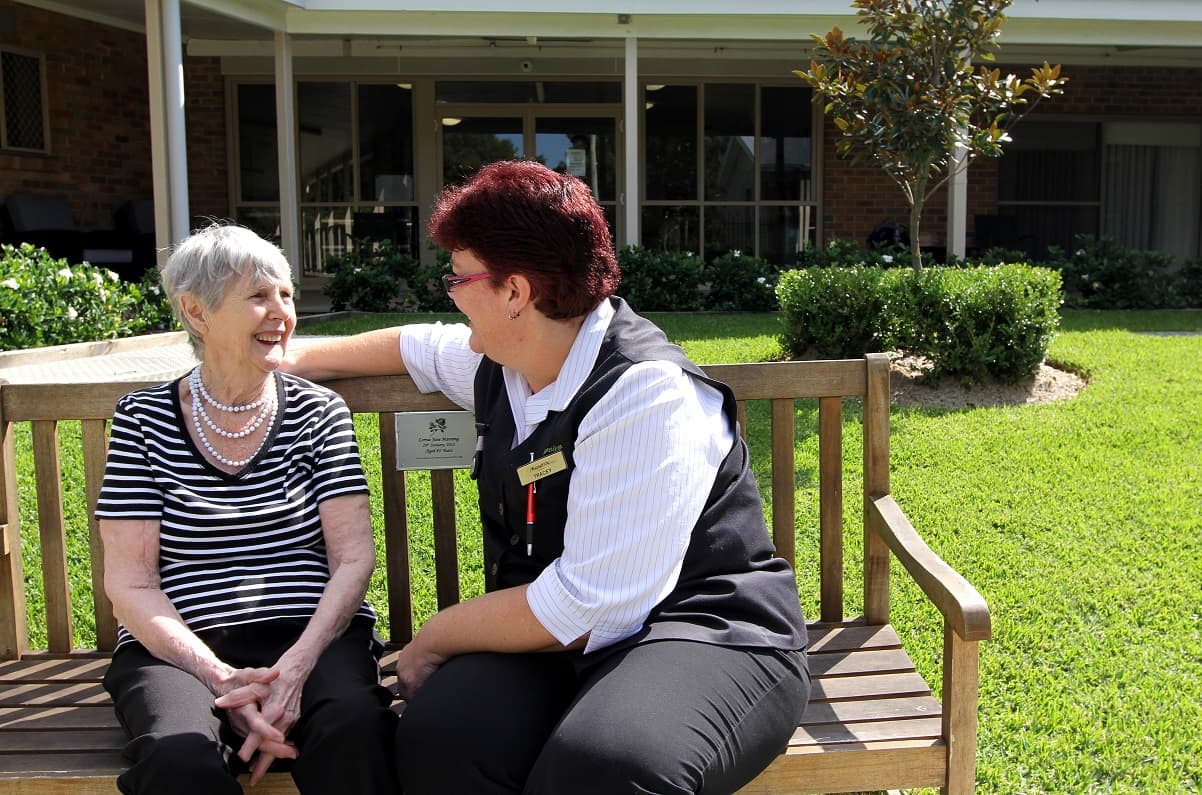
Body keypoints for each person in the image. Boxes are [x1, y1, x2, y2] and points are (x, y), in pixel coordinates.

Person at [286, 160, 811, 795]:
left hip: (702, 629)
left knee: (605, 767)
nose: (450, 294)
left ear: (515, 292)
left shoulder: (646, 392)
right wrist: (281, 356)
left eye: (458, 278)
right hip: (556, 640)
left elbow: (589, 604)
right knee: (441, 740)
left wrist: (434, 637)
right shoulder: (509, 360)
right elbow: (414, 347)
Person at [95, 223, 399, 795]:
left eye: (286, 294)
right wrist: (222, 679)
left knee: (353, 731)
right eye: (258, 296)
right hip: (180, 645)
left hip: (312, 635)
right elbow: (131, 584)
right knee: (179, 759)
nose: (281, 312)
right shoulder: (143, 420)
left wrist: (295, 669)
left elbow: (353, 559)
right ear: (197, 312)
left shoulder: (319, 412)